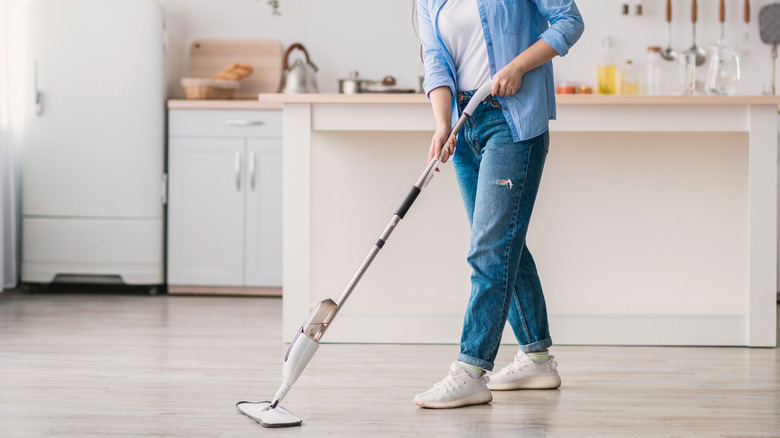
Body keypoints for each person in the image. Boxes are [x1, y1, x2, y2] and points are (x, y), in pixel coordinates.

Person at [414, 0, 584, 409]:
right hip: (463, 122)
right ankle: (538, 358)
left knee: (490, 248)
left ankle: (470, 370)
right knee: (503, 245)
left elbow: (569, 21)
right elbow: (435, 59)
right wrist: (442, 122)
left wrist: (519, 65)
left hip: (512, 120)